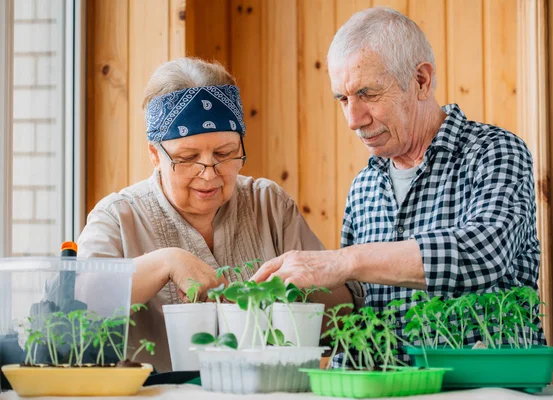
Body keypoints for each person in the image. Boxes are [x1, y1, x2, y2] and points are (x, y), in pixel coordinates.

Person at [252, 7, 546, 353]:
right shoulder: (364, 186)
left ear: (421, 80)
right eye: (342, 99)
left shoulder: (494, 152)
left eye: (367, 94)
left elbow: (482, 253)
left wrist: (341, 261)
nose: (352, 119)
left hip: (487, 385)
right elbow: (357, 316)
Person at [76, 57, 356, 371]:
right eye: (187, 157)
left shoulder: (269, 204)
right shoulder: (118, 216)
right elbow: (80, 305)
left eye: (224, 154)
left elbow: (344, 314)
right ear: (155, 155)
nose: (209, 174)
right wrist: (165, 262)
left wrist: (295, 292)